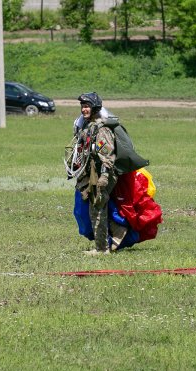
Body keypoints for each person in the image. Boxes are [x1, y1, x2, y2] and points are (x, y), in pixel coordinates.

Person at [73, 92, 126, 255]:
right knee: (96, 208)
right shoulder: (87, 127)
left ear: (95, 107)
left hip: (104, 174)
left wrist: (104, 176)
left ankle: (102, 248)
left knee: (97, 209)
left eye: (87, 106)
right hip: (92, 174)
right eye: (82, 106)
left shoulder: (102, 130)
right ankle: (116, 232)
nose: (84, 110)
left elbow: (107, 155)